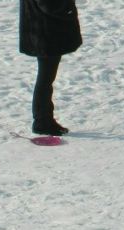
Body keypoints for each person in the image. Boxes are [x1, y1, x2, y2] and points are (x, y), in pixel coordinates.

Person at [19, 0, 82, 136]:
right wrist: (67, 8)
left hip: (42, 31)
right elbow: (48, 4)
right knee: (45, 78)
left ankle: (45, 119)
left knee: (46, 78)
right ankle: (42, 121)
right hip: (45, 32)